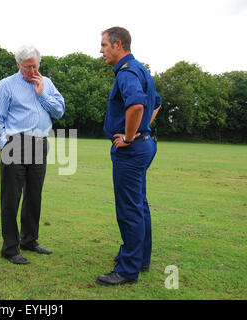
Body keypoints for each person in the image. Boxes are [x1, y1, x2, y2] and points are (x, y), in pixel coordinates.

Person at [96, 27, 162, 286]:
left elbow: (137, 105)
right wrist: (142, 128)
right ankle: (139, 258)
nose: (100, 50)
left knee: (129, 210)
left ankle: (128, 270)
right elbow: (155, 103)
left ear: (118, 44)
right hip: (144, 146)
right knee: (139, 206)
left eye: (103, 45)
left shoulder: (126, 73)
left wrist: (129, 136)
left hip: (132, 150)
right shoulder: (141, 68)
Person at [0, 45, 65, 265]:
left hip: (40, 144)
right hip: (15, 143)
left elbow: (59, 110)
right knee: (11, 198)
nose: (32, 70)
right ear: (18, 65)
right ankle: (10, 248)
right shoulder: (6, 85)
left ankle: (29, 240)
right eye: (27, 66)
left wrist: (42, 95)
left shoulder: (47, 83)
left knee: (34, 196)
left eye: (35, 65)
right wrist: (4, 145)